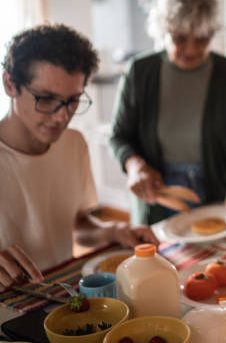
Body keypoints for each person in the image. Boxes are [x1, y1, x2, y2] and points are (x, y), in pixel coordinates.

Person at [0, 24, 158, 291]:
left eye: (72, 100)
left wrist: (112, 230)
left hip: (65, 293)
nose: (62, 116)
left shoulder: (73, 144)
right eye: (47, 99)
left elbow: (77, 226)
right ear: (10, 85)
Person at [110, 0, 226, 225]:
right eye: (180, 38)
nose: (191, 49)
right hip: (157, 194)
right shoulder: (140, 72)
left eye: (201, 39)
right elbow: (119, 136)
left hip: (211, 192)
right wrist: (136, 167)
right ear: (163, 31)